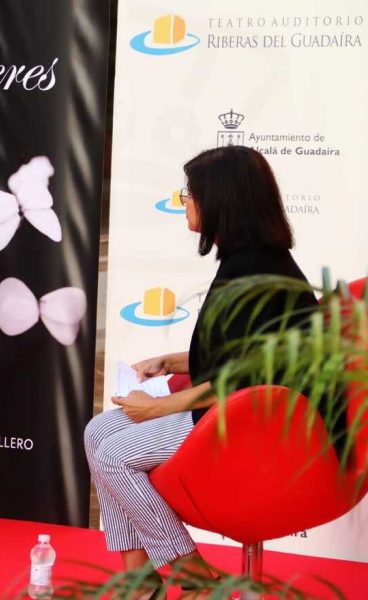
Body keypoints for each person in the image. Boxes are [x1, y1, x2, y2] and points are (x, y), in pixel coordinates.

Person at [84, 146, 318, 598]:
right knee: (98, 432)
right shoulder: (248, 259)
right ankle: (140, 581)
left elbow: (249, 377)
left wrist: (160, 407)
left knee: (114, 455)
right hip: (239, 408)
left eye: (190, 193)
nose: (184, 201)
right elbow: (239, 351)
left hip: (257, 425)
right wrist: (171, 362)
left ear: (223, 200)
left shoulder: (254, 269)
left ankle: (194, 580)